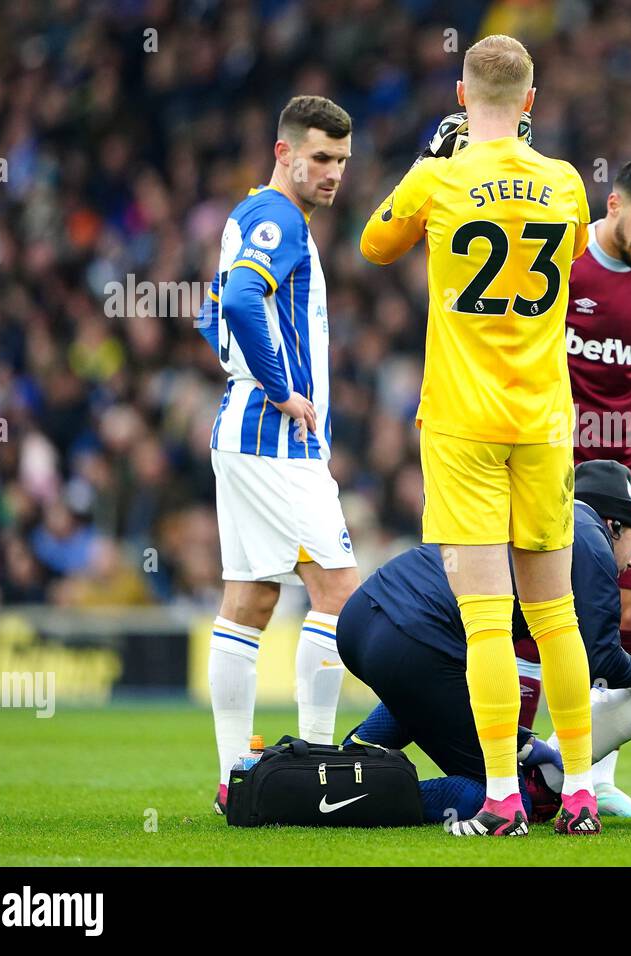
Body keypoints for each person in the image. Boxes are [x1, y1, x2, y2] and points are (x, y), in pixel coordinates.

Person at [359, 34, 599, 836]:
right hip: (542, 420)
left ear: (462, 96)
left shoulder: (438, 177)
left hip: (463, 423)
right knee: (556, 614)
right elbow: (569, 261)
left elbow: (372, 243)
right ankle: (581, 792)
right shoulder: (565, 183)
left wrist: (434, 159)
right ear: (530, 101)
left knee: (487, 620)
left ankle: (501, 793)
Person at [336, 460, 631, 831]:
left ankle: (345, 762)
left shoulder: (532, 510)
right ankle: (357, 795)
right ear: (613, 524)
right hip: (414, 642)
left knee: (428, 689)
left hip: (361, 617)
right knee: (504, 796)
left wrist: (523, 741)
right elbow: (599, 660)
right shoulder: (591, 541)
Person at [194, 95, 359, 814]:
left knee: (251, 600)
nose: (331, 173)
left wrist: (246, 374)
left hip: (243, 432)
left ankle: (236, 778)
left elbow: (209, 311)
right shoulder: (279, 218)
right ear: (283, 152)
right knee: (340, 597)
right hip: (272, 437)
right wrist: (283, 387)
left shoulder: (249, 216)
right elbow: (231, 304)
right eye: (320, 158)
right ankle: (319, 760)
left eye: (342, 162)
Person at [515, 153, 631, 818]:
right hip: (559, 457)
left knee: (629, 619)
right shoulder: (561, 261)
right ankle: (528, 765)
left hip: (629, 467)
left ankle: (596, 773)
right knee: (543, 616)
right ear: (613, 203)